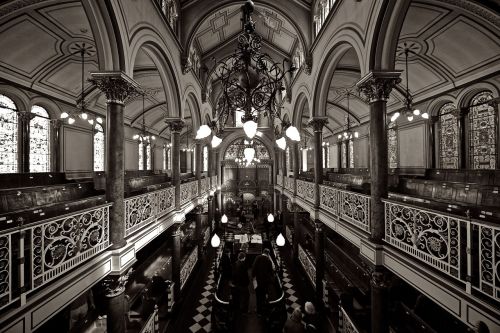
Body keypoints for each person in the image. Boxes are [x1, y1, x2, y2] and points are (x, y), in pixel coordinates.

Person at [252, 248, 274, 314]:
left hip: (258, 281)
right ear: (268, 254)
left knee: (258, 296)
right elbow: (271, 272)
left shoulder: (257, 257)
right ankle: (263, 310)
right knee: (264, 296)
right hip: (265, 283)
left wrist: (253, 277)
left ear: (263, 252)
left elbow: (254, 267)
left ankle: (258, 310)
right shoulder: (268, 260)